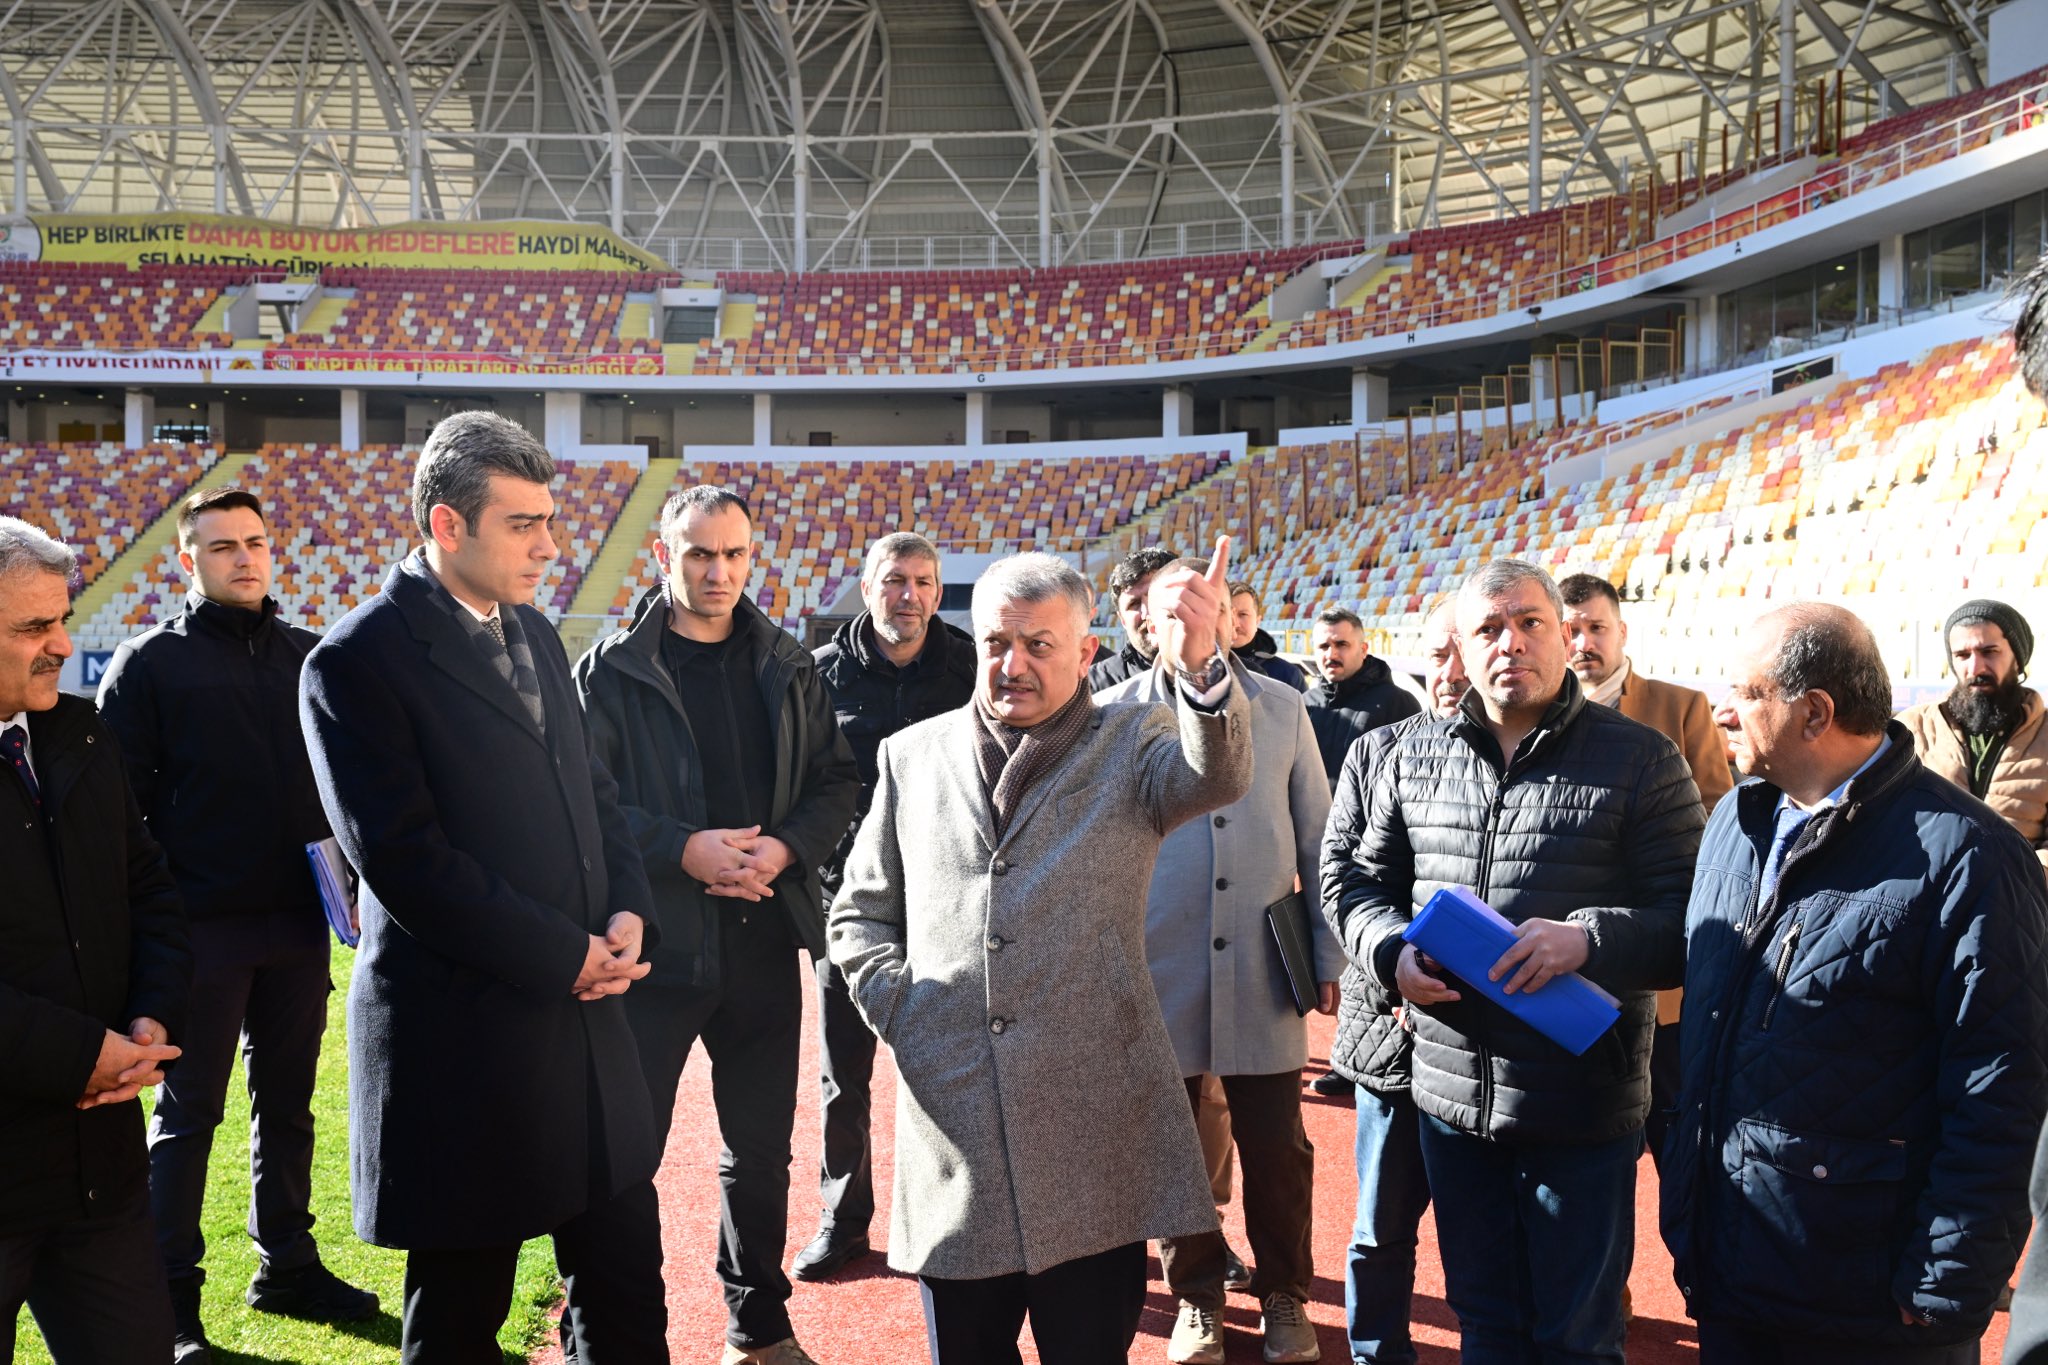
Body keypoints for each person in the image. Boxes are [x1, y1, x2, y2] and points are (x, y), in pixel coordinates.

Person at [299, 411, 669, 1364]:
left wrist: (629, 910)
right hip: (465, 1047)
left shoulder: (539, 632)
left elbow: (596, 793)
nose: (551, 545)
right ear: (446, 525)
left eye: (550, 519)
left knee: (627, 1298)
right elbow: (407, 863)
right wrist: (566, 955)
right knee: (462, 1321)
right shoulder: (353, 660)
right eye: (524, 524)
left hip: (585, 1035)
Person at [829, 544, 1252, 1363]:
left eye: (1038, 644)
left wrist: (1201, 666)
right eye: (995, 641)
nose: (1011, 663)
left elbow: (1218, 776)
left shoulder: (1136, 740)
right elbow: (859, 914)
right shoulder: (910, 757)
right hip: (956, 1141)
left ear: (1087, 650)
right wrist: (907, 1013)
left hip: (1094, 1132)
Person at [1329, 558, 1704, 1364]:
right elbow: (1356, 883)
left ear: (1565, 635)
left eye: (1531, 622)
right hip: (1450, 1098)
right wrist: (1389, 950)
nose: (1513, 642)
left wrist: (1590, 940)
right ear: (1461, 647)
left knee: (1577, 1334)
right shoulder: (1408, 755)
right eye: (1490, 627)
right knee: (1486, 1322)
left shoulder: (1643, 759)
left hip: (1583, 1099)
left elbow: (1694, 921)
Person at [1662, 602, 2048, 1364]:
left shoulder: (1970, 859)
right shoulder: (1733, 823)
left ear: (1814, 712)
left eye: (1745, 691)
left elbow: (1999, 1091)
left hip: (1872, 1311)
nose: (1723, 710)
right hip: (1733, 1275)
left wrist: (1943, 1284)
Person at [574, 485, 857, 1365]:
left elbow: (836, 782)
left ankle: (758, 1326)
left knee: (760, 1153)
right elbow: (590, 805)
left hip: (767, 942)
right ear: (664, 556)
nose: (719, 572)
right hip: (654, 951)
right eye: (699, 554)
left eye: (733, 554)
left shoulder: (789, 662)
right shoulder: (613, 668)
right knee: (624, 1159)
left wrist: (782, 850)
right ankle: (619, 1339)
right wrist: (683, 849)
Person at [96, 488, 377, 1364]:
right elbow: (118, 818)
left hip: (297, 921)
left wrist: (356, 883)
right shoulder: (148, 666)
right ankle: (170, 1301)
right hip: (198, 932)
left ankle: (286, 1263)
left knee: (289, 1105)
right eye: (222, 547)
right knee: (188, 1118)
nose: (244, 558)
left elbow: (344, 792)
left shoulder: (308, 655)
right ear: (188, 561)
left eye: (255, 541)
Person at [1098, 557, 1336, 1365]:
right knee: (1171, 1146)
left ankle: (1285, 1294)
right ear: (1143, 620)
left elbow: (1320, 840)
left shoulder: (1282, 705)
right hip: (1153, 962)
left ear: (1225, 614)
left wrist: (1329, 950)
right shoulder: (1106, 715)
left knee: (1278, 1146)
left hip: (1263, 962)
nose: (1180, 621)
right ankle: (1195, 1293)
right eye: (1164, 608)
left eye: (1196, 604)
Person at [0, 516, 191, 1365]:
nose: (61, 643)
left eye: (60, 617)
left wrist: (150, 1015)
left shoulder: (79, 732)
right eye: (33, 627)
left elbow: (147, 886)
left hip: (98, 1170)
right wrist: (81, 1054)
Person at [797, 531, 974, 1282]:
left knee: (963, 1065)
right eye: (894, 580)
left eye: (924, 581)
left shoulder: (969, 662)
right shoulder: (817, 675)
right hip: (851, 907)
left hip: (955, 900)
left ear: (939, 591)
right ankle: (844, 1218)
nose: (910, 595)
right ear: (866, 589)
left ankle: (969, 1210)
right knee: (846, 1075)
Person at [1319, 593, 1466, 1365]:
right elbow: (1339, 876)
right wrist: (1391, 959)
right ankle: (1376, 1354)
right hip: (1391, 1037)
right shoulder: (1377, 751)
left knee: (1484, 1241)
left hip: (1489, 1053)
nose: (1447, 671)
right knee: (1380, 1231)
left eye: (1459, 650)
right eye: (1434, 654)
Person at [1558, 570, 1733, 1173]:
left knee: (1683, 1142)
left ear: (1622, 631)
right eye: (1571, 629)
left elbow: (1719, 813)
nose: (1584, 642)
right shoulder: (1533, 716)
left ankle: (1696, 1267)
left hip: (1663, 977)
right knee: (1593, 1155)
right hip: (1572, 970)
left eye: (1596, 628)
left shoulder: (1681, 708)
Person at [1900, 600, 2048, 868]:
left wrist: (2016, 883)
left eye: (1989, 652)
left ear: (2018, 658)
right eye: (1962, 655)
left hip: (2022, 901)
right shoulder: (1912, 728)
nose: (1975, 668)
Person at [1305, 606, 1421, 791]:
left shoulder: (1397, 703)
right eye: (1323, 646)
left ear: (1363, 649)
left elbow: (1413, 778)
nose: (1331, 654)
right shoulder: (1304, 704)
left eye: (1341, 644)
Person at [1087, 545, 1176, 691]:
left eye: (1156, 596)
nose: (1147, 613)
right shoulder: (1095, 686)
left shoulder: (1220, 671)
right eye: (1134, 604)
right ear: (1122, 620)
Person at [1229, 581, 1307, 692]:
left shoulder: (1288, 675)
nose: (1235, 623)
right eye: (1227, 614)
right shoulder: (1200, 670)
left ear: (1257, 621)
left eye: (1243, 614)